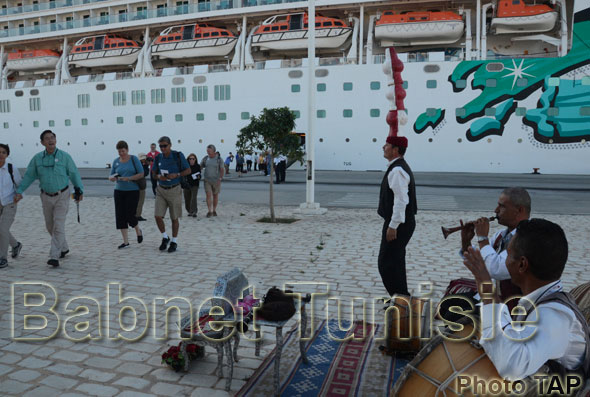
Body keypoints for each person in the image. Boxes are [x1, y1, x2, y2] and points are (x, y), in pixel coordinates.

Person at [463, 219, 589, 383]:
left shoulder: (554, 317)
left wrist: (488, 292)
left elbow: (512, 367)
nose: (505, 260)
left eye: (508, 254)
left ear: (522, 264)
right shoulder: (541, 300)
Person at [14, 130, 83, 267]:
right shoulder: (37, 158)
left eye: (52, 137)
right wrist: (19, 191)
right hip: (45, 196)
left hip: (62, 195)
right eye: (47, 138)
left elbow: (74, 173)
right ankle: (63, 248)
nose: (50, 140)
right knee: (49, 225)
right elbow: (29, 176)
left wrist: (79, 190)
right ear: (42, 142)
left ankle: (54, 256)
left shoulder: (65, 157)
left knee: (58, 225)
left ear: (56, 140)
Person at [460, 187, 531, 307]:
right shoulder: (501, 235)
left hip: (511, 306)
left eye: (502, 206)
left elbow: (495, 269)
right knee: (450, 305)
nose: (496, 210)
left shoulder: (527, 237)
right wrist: (466, 242)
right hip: (488, 298)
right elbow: (480, 264)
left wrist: (482, 238)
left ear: (519, 210)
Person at [377, 136, 416, 297]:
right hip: (401, 222)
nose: (383, 147)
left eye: (387, 145)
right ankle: (400, 297)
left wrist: (393, 225)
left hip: (398, 224)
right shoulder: (397, 167)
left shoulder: (397, 171)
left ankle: (399, 298)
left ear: (395, 150)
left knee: (386, 263)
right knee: (396, 261)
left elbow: (401, 200)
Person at [151, 136, 191, 253]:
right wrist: (159, 176)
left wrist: (177, 174)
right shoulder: (158, 157)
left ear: (170, 145)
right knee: (157, 216)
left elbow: (188, 170)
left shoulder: (177, 155)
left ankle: (174, 241)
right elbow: (154, 173)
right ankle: (165, 237)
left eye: (165, 146)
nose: (163, 148)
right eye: (161, 146)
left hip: (174, 189)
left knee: (174, 217)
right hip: (161, 189)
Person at [108, 141, 144, 249]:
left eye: (123, 151)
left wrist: (129, 178)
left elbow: (141, 173)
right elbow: (110, 176)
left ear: (127, 149)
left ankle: (138, 230)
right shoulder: (116, 161)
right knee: (120, 216)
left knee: (130, 214)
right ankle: (126, 242)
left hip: (132, 190)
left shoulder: (134, 159)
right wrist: (112, 178)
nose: (121, 153)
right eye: (119, 152)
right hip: (119, 191)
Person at [0, 144, 23, 269]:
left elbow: (20, 185)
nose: (0, 154)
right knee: (1, 230)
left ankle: (2, 259)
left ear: (7, 155)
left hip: (10, 203)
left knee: (2, 229)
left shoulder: (11, 168)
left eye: (3, 152)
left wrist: (19, 195)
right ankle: (15, 245)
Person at [200, 144, 224, 218]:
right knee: (208, 195)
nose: (208, 152)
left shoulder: (219, 159)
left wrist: (220, 178)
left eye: (209, 151)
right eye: (207, 151)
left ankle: (214, 210)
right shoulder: (205, 158)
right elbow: (200, 166)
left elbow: (222, 169)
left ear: (214, 151)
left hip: (216, 180)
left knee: (215, 195)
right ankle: (209, 211)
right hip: (207, 180)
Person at [183, 153, 201, 217]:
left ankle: (194, 212)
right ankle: (189, 211)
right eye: (190, 159)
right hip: (187, 185)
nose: (191, 160)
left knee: (193, 198)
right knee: (187, 199)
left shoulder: (197, 166)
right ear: (188, 159)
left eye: (193, 159)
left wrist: (198, 176)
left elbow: (199, 175)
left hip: (195, 184)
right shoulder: (186, 166)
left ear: (195, 159)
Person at [135, 153, 149, 221]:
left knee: (137, 201)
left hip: (136, 186)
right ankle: (137, 215)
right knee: (140, 201)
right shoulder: (141, 166)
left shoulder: (136, 164)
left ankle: (136, 214)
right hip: (140, 186)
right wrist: (146, 165)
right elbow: (145, 173)